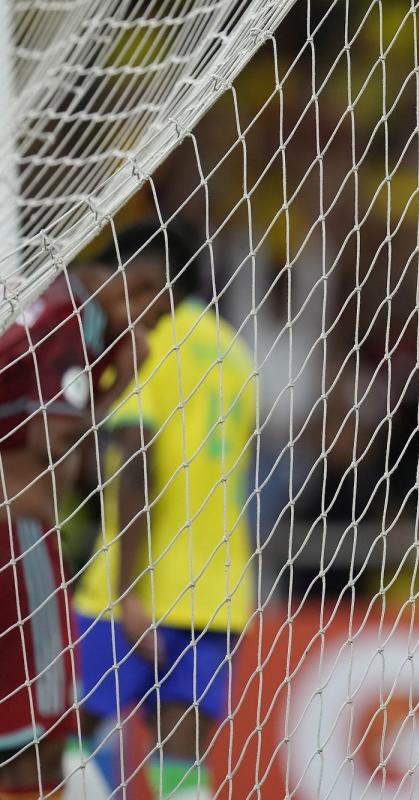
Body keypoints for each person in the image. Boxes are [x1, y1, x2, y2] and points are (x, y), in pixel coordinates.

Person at [71, 222, 256, 800]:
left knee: (60, 740)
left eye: (117, 293)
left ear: (150, 285)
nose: (112, 310)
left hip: (130, 587)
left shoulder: (148, 347)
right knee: (181, 771)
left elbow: (137, 464)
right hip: (217, 593)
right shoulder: (233, 350)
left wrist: (128, 593)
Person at [0, 237, 169, 798]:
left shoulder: (64, 313)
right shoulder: (67, 313)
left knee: (28, 734)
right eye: (156, 309)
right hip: (21, 538)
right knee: (38, 740)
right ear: (141, 289)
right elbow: (55, 438)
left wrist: (118, 379)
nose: (149, 325)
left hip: (27, 536)